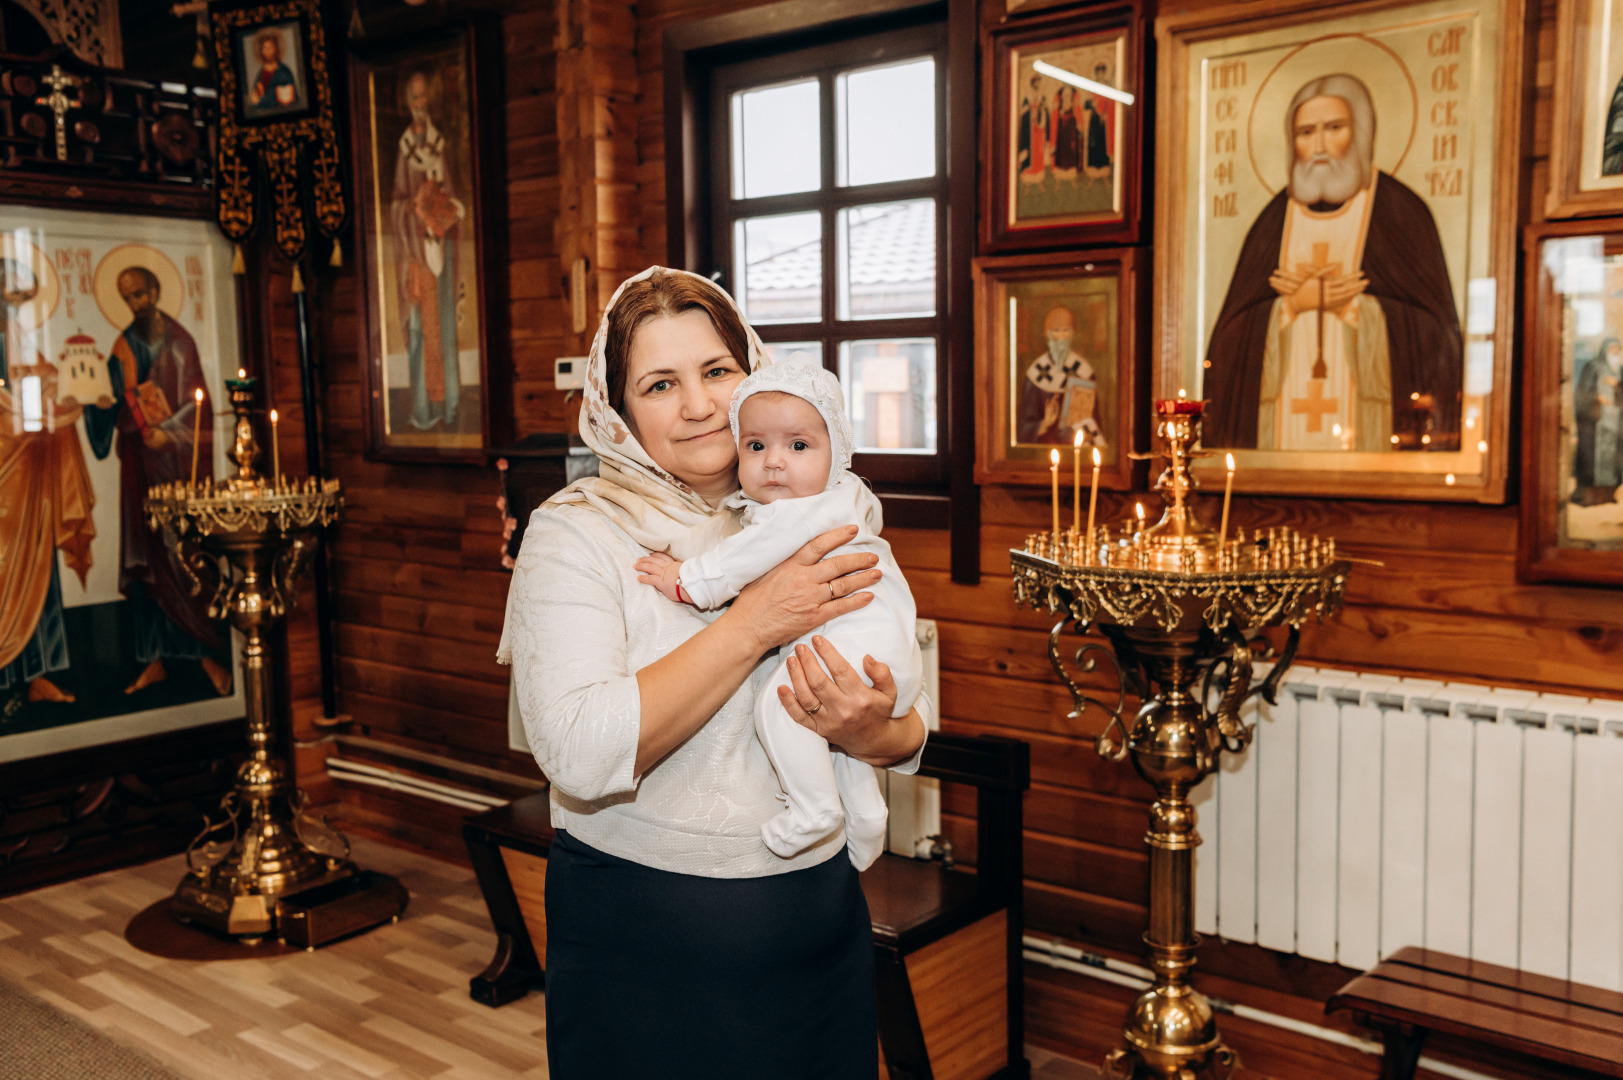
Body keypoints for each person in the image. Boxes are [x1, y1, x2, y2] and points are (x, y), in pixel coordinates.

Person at [498, 267, 929, 1078]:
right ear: (619, 413)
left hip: (818, 925)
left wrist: (871, 727)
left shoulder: (813, 505)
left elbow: (909, 731)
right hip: (644, 947)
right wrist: (754, 621)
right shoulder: (573, 534)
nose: (698, 406)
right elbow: (581, 755)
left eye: (717, 372)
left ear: (752, 377)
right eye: (660, 384)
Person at [633, 359, 921, 871]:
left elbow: (736, 562)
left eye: (798, 446)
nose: (773, 463)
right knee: (825, 730)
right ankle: (865, 810)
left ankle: (812, 811)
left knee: (783, 705)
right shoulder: (846, 496)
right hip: (882, 652)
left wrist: (684, 580)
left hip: (856, 648)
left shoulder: (800, 512)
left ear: (836, 452)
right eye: (756, 445)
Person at [1202, 73, 1462, 452]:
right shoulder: (1273, 221)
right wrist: (1290, 307)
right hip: (1277, 431)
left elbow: (1440, 336)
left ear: (1360, 133)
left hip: (1375, 431)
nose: (1319, 145)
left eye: (1334, 128)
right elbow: (1227, 342)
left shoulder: (1400, 212)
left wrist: (1357, 309)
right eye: (1306, 133)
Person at [84, 267, 229, 697]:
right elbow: (106, 406)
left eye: (141, 294)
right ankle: (154, 661)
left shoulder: (180, 342)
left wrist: (170, 431)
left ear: (156, 291)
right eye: (128, 298)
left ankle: (203, 656)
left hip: (177, 470)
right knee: (147, 559)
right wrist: (99, 404)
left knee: (179, 558)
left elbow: (197, 406)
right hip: (138, 472)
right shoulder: (123, 346)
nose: (136, 304)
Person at [0, 304, 95, 705]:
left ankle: (39, 675)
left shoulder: (15, 336)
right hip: (10, 467)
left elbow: (46, 381)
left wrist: (74, 391)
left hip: (29, 476)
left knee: (39, 571)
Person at [391, 70, 465, 432]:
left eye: (424, 98)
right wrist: (413, 208)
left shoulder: (439, 144)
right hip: (416, 252)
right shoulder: (405, 147)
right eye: (414, 98)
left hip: (440, 253)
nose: (419, 105)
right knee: (421, 327)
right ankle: (423, 404)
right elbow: (395, 203)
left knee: (443, 327)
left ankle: (448, 403)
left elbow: (451, 196)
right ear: (408, 103)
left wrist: (442, 207)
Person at [1017, 303, 1104, 447]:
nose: (1061, 337)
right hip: (1041, 452)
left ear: (1072, 333)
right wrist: (1043, 424)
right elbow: (1023, 428)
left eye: (1066, 331)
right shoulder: (1035, 373)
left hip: (1076, 448)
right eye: (1056, 331)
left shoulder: (1083, 371)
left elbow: (1093, 421)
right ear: (1048, 334)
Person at [1572, 336, 1623, 506]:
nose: (1615, 353)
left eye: (1618, 349)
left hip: (1615, 427)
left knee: (1613, 462)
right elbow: (1582, 394)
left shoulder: (1620, 370)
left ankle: (1608, 495)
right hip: (1594, 425)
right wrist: (1597, 397)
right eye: (1612, 349)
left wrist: (1616, 384)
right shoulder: (1593, 367)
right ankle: (1589, 497)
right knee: (1591, 461)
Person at [246, 30, 298, 115]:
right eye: (265, 48)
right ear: (261, 51)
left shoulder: (284, 71)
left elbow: (288, 97)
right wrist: (255, 98)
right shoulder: (261, 73)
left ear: (275, 49)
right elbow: (256, 96)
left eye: (270, 47)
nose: (268, 51)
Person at [1084, 62, 1115, 180]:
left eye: (1103, 72)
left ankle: (1104, 173)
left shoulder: (1108, 86)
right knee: (1094, 143)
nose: (1101, 75)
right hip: (1095, 119)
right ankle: (1092, 173)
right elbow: (1086, 105)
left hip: (1105, 120)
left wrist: (1106, 115)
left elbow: (1111, 103)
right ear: (1096, 73)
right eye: (1099, 72)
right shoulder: (1092, 86)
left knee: (1103, 144)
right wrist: (1093, 105)